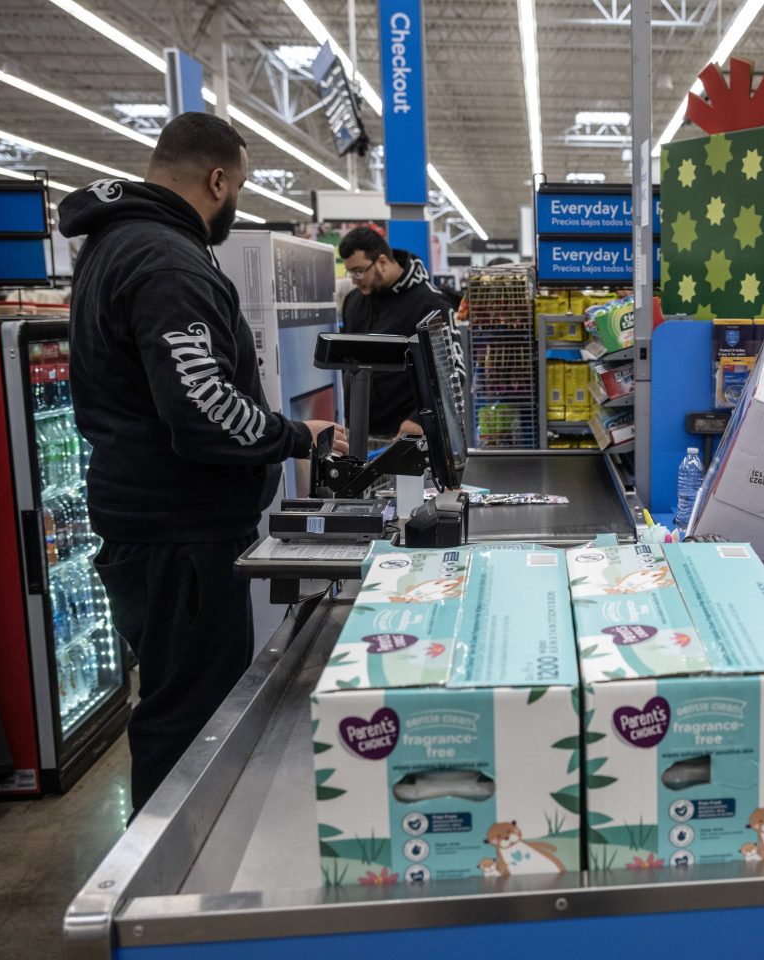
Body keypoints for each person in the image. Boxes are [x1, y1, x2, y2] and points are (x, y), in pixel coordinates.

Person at [60, 111, 348, 814]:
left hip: (159, 526)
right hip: (179, 536)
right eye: (240, 186)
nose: (237, 201)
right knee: (188, 717)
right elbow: (203, 410)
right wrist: (295, 436)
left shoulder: (118, 244)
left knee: (177, 698)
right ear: (217, 179)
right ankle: (168, 887)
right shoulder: (164, 260)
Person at [338, 227, 464, 443]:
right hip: (356, 433)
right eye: (351, 273)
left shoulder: (430, 304)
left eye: (359, 271)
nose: (354, 279)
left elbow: (452, 373)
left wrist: (419, 420)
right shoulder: (353, 302)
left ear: (383, 262)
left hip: (405, 436)